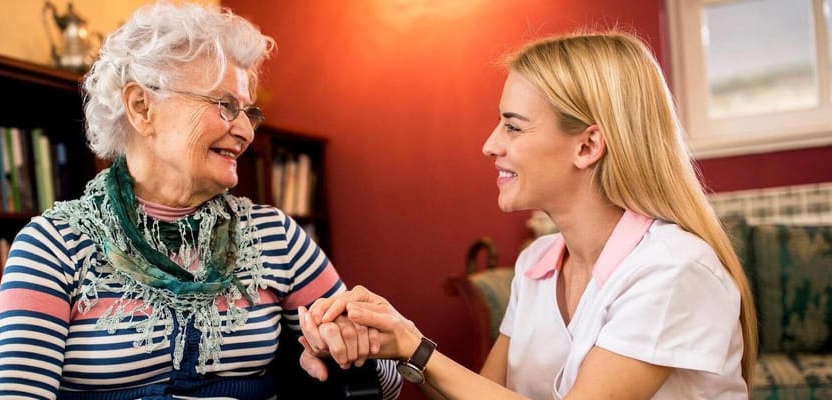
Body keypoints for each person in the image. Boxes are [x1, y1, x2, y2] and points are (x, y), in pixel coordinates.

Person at [302, 31, 758, 399]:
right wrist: (393, 337)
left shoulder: (673, 269)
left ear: (587, 146)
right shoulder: (537, 263)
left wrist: (414, 346)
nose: (490, 145)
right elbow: (484, 392)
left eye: (513, 126)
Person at [0, 2, 400, 399]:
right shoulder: (54, 247)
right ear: (142, 107)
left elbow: (386, 384)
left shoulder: (274, 236)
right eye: (225, 105)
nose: (246, 132)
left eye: (248, 112)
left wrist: (348, 348)